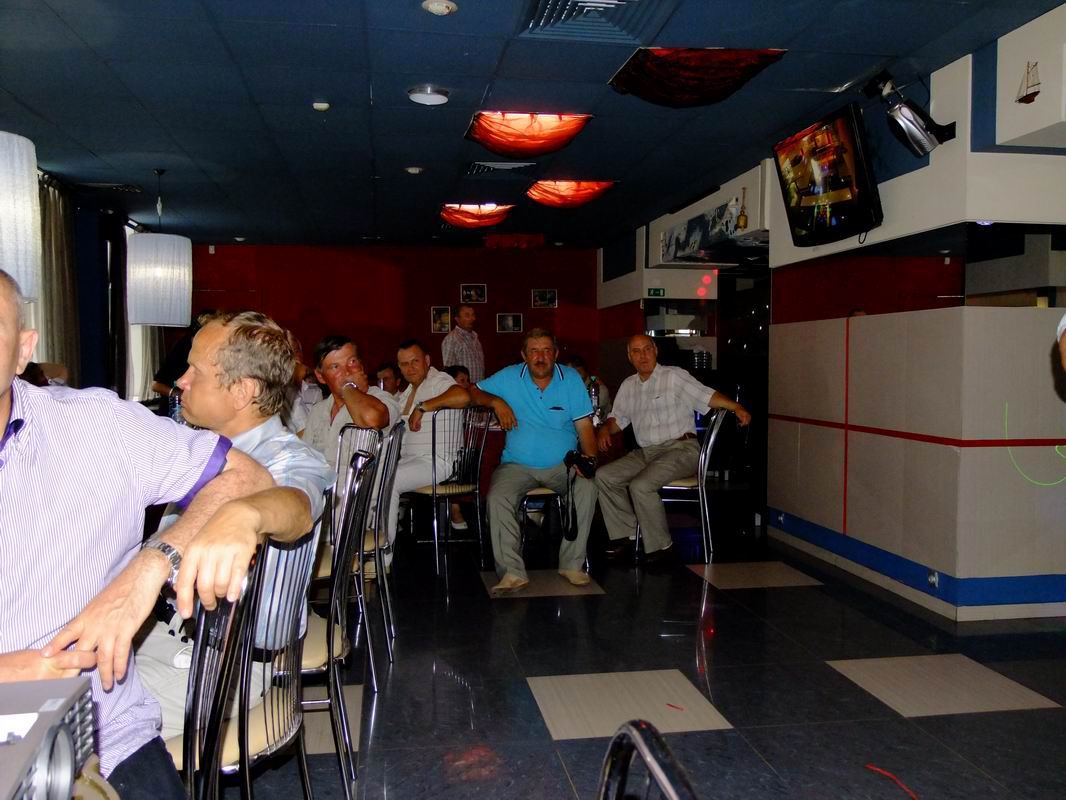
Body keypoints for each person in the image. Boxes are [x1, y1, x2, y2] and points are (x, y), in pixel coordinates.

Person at [0, 270, 276, 799]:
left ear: (23, 350)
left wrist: (151, 565)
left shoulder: (96, 426)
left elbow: (254, 480)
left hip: (105, 728)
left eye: (195, 371)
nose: (180, 383)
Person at [135, 311, 333, 738]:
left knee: (58, 732)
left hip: (219, 664)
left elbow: (297, 507)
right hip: (162, 634)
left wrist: (245, 512)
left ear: (242, 391)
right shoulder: (203, 448)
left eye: (195, 371)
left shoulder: (287, 460)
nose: (181, 381)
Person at [595, 335, 752, 563]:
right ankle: (627, 535)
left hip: (681, 449)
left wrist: (736, 406)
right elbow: (617, 419)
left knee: (641, 485)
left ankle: (662, 547)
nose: (643, 356)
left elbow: (705, 396)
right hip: (646, 453)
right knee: (604, 476)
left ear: (655, 350)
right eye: (636, 351)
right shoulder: (628, 385)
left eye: (647, 349)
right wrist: (604, 429)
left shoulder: (673, 376)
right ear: (629, 357)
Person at [470, 329, 598, 594]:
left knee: (587, 487)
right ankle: (512, 573)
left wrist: (589, 462)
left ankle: (572, 564)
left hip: (562, 465)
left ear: (556, 353)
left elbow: (585, 426)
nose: (541, 357)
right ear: (524, 355)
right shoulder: (509, 376)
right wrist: (496, 401)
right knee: (498, 497)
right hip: (516, 465)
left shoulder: (571, 378)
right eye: (534, 351)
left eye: (546, 350)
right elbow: (472, 393)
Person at [378, 339, 471, 573]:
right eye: (404, 364)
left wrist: (423, 407)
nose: (410, 368)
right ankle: (366, 543)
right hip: (412, 461)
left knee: (390, 480)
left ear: (427, 361)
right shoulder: (406, 393)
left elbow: (463, 396)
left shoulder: (439, 380)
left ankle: (383, 557)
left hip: (441, 461)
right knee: (372, 474)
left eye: (415, 361)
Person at [303, 335, 398, 472]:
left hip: (356, 485)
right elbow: (305, 458)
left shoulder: (381, 399)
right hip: (318, 483)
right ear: (320, 376)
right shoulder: (318, 410)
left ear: (361, 366)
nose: (347, 372)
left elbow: (371, 419)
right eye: (335, 367)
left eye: (352, 362)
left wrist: (348, 387)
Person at [441, 303, 484, 384]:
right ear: (457, 319)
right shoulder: (452, 339)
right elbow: (448, 372)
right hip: (463, 389)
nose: (472, 318)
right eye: (467, 315)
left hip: (477, 387)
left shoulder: (475, 337)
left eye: (473, 315)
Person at [563, 354, 611, 418]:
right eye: (569, 373)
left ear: (585, 371)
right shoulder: (564, 387)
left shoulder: (597, 388)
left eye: (578, 372)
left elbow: (590, 413)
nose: (574, 376)